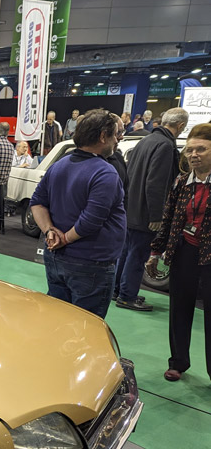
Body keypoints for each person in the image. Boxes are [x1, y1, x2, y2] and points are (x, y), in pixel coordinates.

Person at [29, 109, 126, 319]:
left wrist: (49, 232)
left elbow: (37, 203)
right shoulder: (104, 172)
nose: (118, 140)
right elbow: (91, 220)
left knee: (58, 319)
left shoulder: (59, 165)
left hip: (57, 258)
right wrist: (64, 238)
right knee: (86, 326)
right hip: (90, 261)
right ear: (102, 136)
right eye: (115, 134)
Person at [147, 123, 211, 382]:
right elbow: (170, 217)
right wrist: (155, 251)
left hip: (209, 257)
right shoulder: (181, 182)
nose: (194, 155)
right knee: (179, 310)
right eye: (189, 150)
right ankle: (178, 362)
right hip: (183, 251)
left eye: (201, 149)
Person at [116, 107, 189, 311]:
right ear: (181, 126)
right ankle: (127, 295)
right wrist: (157, 215)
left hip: (132, 208)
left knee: (127, 253)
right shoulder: (165, 146)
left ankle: (118, 291)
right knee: (138, 256)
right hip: (147, 212)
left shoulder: (145, 141)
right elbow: (156, 183)